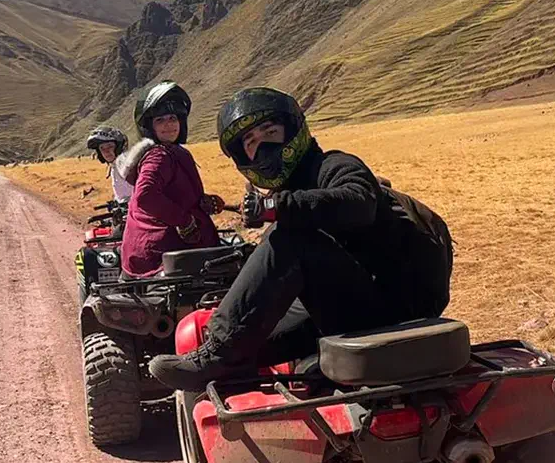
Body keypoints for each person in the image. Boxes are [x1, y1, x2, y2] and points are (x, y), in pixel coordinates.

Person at [148, 87, 453, 391]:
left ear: (291, 129)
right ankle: (243, 365)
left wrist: (274, 207)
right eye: (252, 142)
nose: (263, 144)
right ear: (244, 156)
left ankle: (217, 353)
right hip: (357, 305)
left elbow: (359, 202)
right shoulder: (294, 193)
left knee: (288, 241)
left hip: (391, 308)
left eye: (270, 130)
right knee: (256, 347)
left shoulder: (333, 165)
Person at [114, 81, 225, 278]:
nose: (169, 125)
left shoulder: (171, 152)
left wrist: (200, 202)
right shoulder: (159, 156)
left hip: (152, 250)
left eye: (173, 118)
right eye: (160, 120)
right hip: (161, 254)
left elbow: (171, 193)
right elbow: (145, 196)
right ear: (149, 127)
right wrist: (184, 220)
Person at [85, 126, 133, 203]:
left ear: (119, 147)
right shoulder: (114, 167)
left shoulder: (130, 166)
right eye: (102, 148)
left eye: (110, 146)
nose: (106, 151)